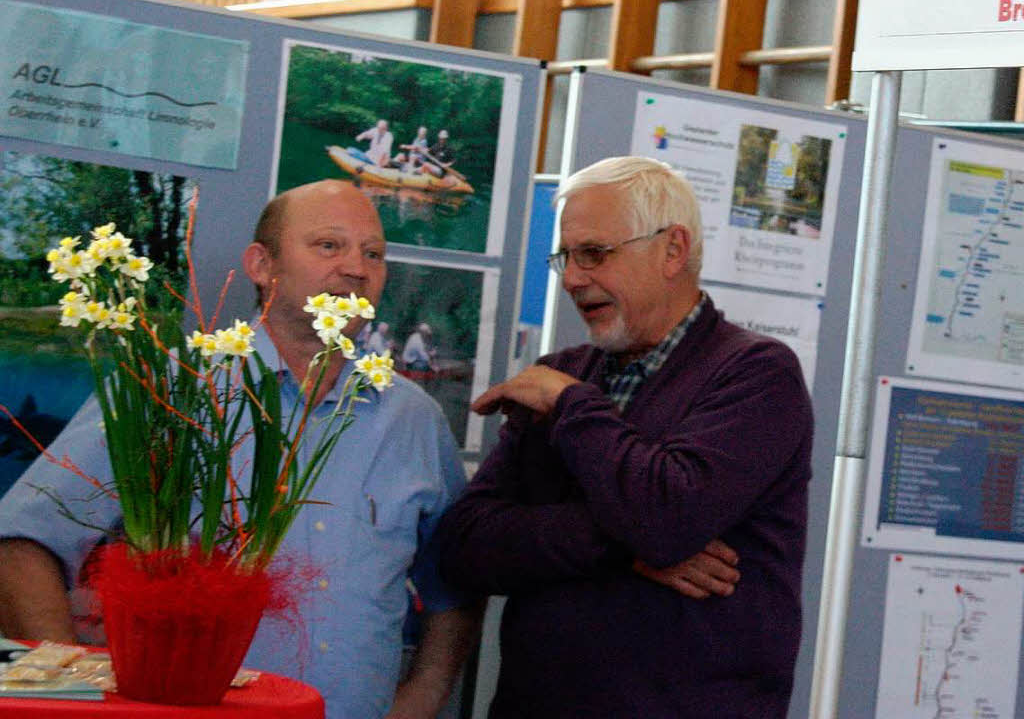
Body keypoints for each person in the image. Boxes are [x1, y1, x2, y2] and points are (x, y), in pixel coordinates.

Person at [0, 180, 478, 719]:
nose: (356, 268)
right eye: (329, 246)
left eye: (373, 254)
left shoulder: (413, 419)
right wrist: (71, 695)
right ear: (260, 265)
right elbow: (21, 544)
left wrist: (422, 698)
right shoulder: (171, 388)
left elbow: (453, 586)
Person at [437, 156, 813, 717]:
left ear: (673, 250)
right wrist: (624, 548)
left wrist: (570, 406)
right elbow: (467, 546)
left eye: (593, 254)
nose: (571, 279)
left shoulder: (757, 373)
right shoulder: (561, 370)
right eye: (565, 257)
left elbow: (667, 516)